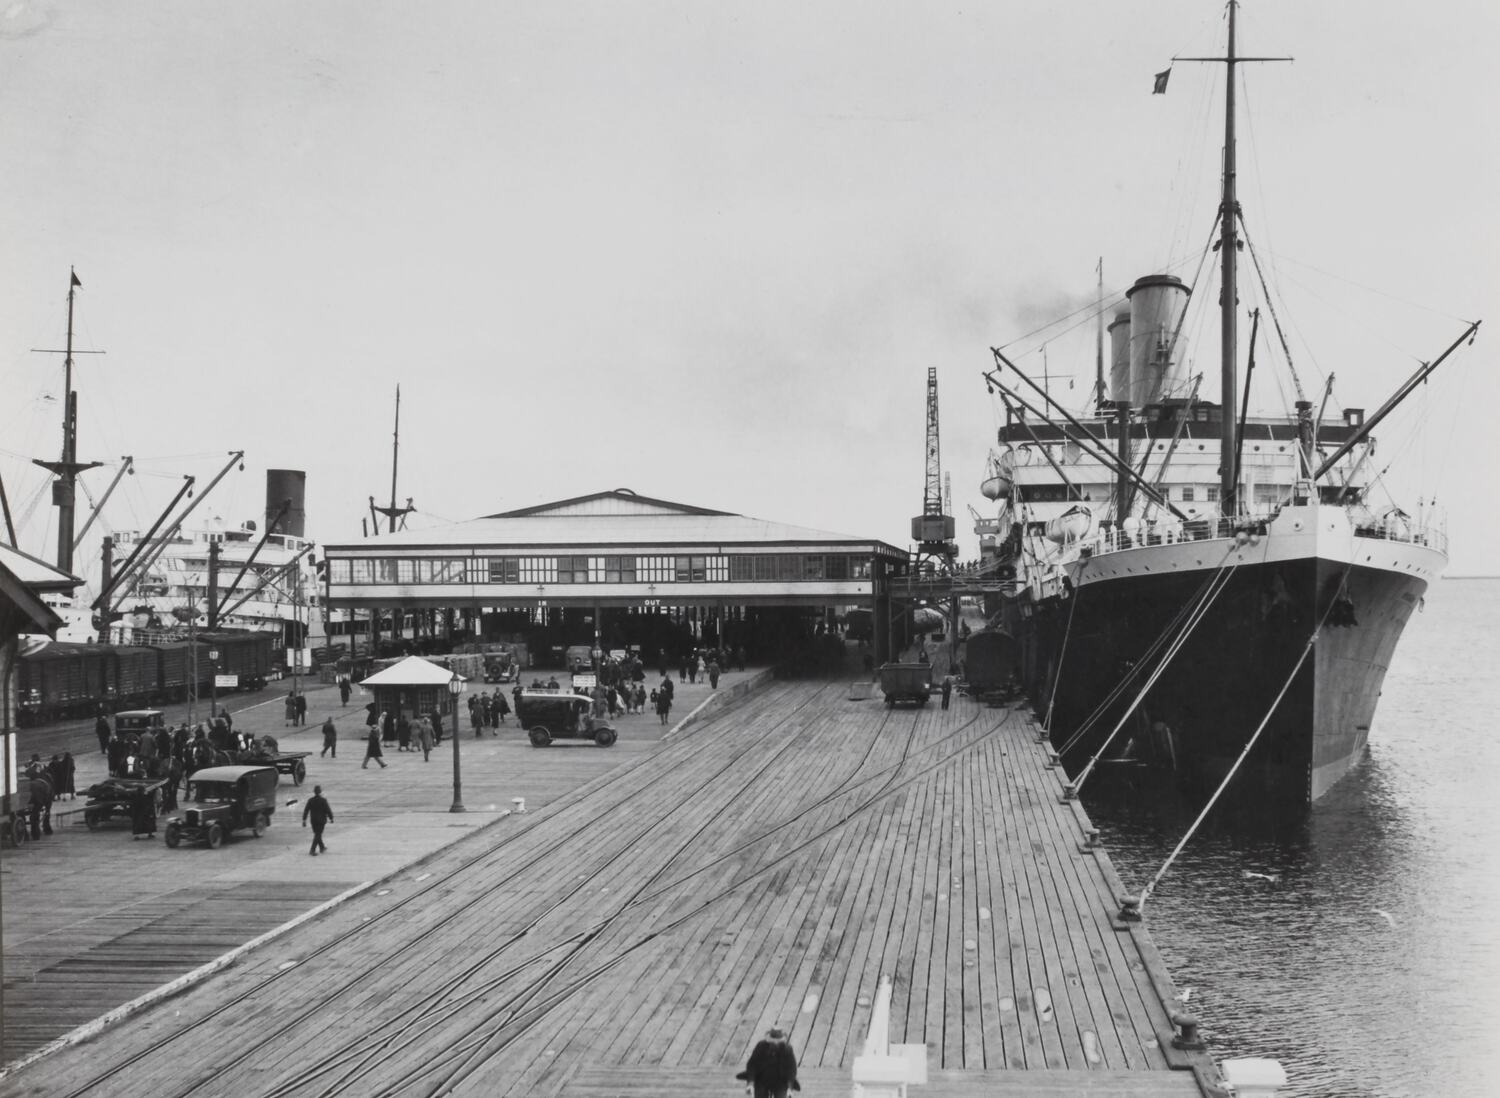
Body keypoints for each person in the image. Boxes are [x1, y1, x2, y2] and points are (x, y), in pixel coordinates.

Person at [736, 1027, 800, 1097]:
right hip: (762, 1079)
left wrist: (789, 1088)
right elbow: (752, 1065)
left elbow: (791, 1070)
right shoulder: (761, 1046)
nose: (775, 1043)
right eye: (773, 1042)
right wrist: (750, 1084)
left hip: (780, 1081)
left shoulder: (787, 1049)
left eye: (778, 1042)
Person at [302, 784, 333, 856]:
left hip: (313, 821)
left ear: (314, 792)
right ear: (320, 792)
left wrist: (304, 820)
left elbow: (306, 810)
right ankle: (312, 850)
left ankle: (322, 847)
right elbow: (328, 810)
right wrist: (331, 818)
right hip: (321, 821)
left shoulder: (310, 800)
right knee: (318, 835)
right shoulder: (323, 800)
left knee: (317, 834)